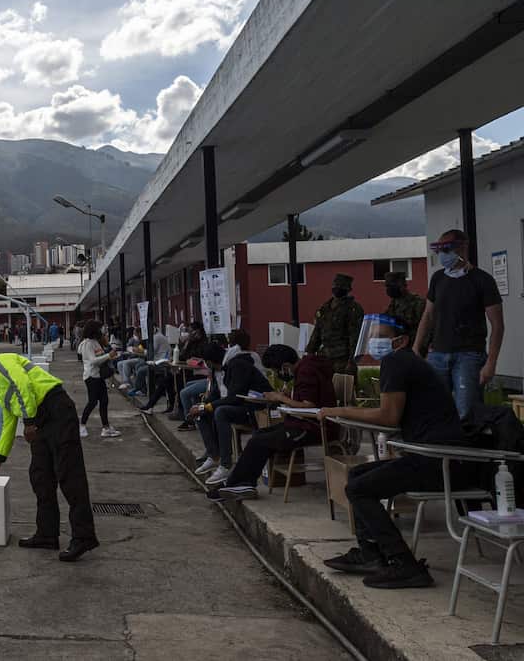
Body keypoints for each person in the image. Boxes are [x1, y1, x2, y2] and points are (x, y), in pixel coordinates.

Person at [321, 314, 475, 588]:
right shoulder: (407, 362)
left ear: (401, 340)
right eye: (371, 335)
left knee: (360, 488)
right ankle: (371, 553)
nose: (373, 341)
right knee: (356, 476)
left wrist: (339, 410)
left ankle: (403, 563)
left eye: (380, 336)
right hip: (434, 456)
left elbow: (388, 416)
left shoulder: (396, 360)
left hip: (435, 458)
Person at [0, 353, 99, 562]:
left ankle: (84, 536)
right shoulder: (0, 391)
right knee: (40, 477)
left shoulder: (0, 362)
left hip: (56, 409)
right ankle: (47, 534)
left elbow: (22, 384)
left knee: (70, 476)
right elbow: (8, 426)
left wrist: (28, 422)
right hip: (39, 421)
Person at [207, 344, 336, 501]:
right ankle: (240, 483)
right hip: (303, 424)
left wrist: (281, 398)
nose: (278, 374)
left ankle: (238, 484)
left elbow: (309, 406)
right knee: (260, 434)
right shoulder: (307, 367)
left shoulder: (306, 371)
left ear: (285, 366)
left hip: (313, 428)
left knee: (259, 440)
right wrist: (289, 396)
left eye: (276, 371)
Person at [413, 229, 505, 419]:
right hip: (437, 354)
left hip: (469, 356)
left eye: (447, 249)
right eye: (439, 250)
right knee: (434, 409)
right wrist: (416, 347)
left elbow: (497, 325)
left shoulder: (482, 280)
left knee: (467, 412)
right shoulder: (438, 279)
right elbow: (427, 315)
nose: (443, 255)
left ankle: (468, 446)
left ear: (463, 247)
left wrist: (491, 363)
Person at [189, 341, 274, 485]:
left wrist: (207, 407)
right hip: (240, 405)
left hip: (255, 408)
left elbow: (235, 397)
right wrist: (202, 406)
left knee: (221, 413)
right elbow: (217, 394)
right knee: (201, 413)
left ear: (209, 362)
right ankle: (213, 455)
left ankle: (226, 464)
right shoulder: (220, 370)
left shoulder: (237, 365)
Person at [306, 273, 365, 374]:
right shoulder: (325, 308)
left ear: (348, 289)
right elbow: (317, 332)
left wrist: (352, 361)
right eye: (335, 285)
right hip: (324, 357)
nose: (337, 288)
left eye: (341, 286)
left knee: (343, 388)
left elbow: (355, 336)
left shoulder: (353, 308)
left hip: (343, 359)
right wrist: (309, 353)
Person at [78, 321, 117, 438]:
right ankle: (82, 425)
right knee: (93, 402)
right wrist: (108, 355)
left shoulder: (95, 342)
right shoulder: (87, 344)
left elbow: (100, 357)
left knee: (104, 401)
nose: (102, 331)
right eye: (99, 329)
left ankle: (106, 427)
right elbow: (93, 360)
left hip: (98, 376)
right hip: (91, 377)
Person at [383, 271, 425, 346]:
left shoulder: (417, 303)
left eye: (392, 286)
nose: (389, 289)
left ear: (402, 285)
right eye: (387, 286)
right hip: (397, 346)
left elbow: (426, 327)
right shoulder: (393, 304)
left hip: (413, 347)